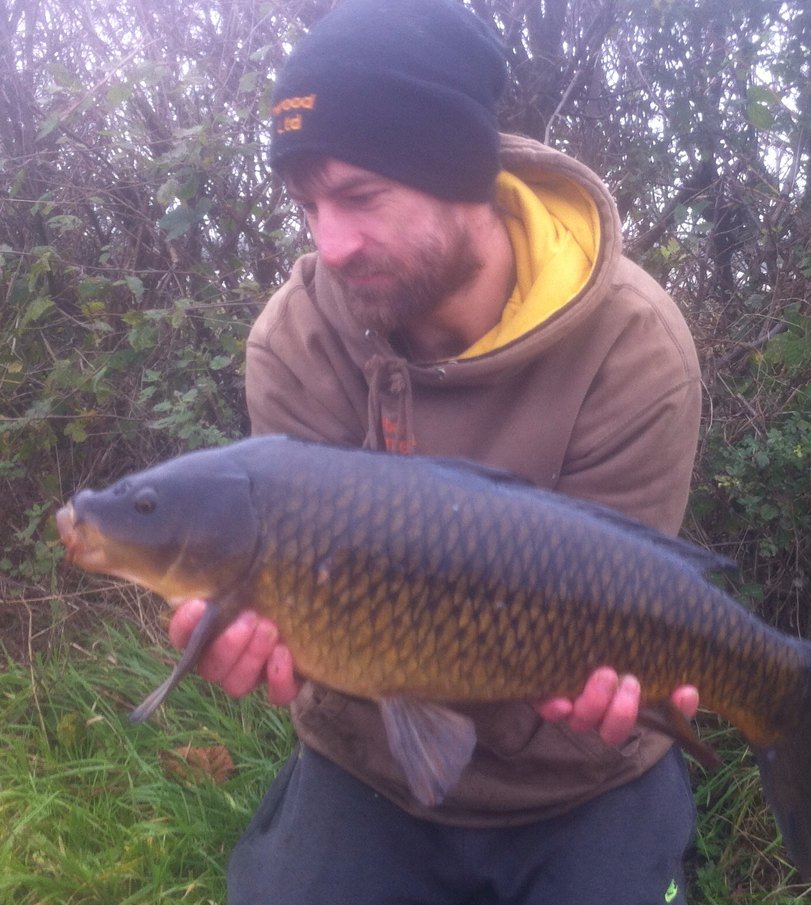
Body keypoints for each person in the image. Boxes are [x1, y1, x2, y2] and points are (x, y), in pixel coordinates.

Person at [169, 0, 704, 901]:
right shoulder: (296, 339)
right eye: (308, 206)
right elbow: (304, 605)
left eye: (360, 196)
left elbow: (628, 601)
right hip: (370, 759)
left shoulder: (634, 345)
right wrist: (262, 627)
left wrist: (613, 682)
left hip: (582, 772)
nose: (330, 245)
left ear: (460, 172)